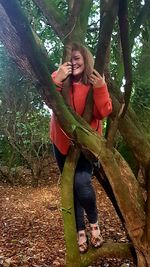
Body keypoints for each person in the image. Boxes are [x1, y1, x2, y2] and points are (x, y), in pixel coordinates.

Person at [50, 42, 112, 253]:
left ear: (86, 60)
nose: (74, 62)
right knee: (71, 188)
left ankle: (94, 225)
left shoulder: (94, 82)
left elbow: (104, 112)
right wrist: (57, 79)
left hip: (86, 146)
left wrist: (101, 88)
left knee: (81, 183)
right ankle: (80, 233)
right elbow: (49, 99)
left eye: (78, 58)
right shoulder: (58, 77)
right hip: (61, 142)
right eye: (71, 58)